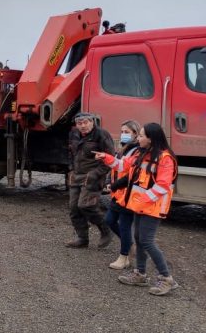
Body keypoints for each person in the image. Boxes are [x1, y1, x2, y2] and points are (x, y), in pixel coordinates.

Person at [94, 122, 179, 296]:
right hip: (141, 206)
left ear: (151, 138)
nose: (138, 138)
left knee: (146, 241)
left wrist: (143, 199)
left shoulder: (165, 158)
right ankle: (140, 274)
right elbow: (122, 165)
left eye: (141, 136)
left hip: (152, 208)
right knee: (140, 239)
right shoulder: (142, 154)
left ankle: (167, 278)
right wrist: (105, 157)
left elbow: (163, 185)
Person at [65, 112, 115, 248]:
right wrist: (70, 168)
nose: (83, 126)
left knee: (86, 205)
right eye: (79, 123)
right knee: (74, 208)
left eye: (86, 122)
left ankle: (106, 229)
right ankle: (82, 239)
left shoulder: (101, 135)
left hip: (93, 176)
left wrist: (95, 174)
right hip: (76, 175)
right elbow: (70, 152)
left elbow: (110, 158)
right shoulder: (74, 134)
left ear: (92, 122)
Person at [103, 120, 141, 269]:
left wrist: (114, 185)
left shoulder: (137, 151)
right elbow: (114, 167)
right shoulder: (122, 149)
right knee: (110, 220)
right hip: (118, 193)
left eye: (127, 132)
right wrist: (109, 181)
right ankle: (129, 244)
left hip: (128, 194)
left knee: (125, 226)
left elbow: (129, 175)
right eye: (122, 131)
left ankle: (123, 257)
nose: (123, 135)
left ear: (135, 134)